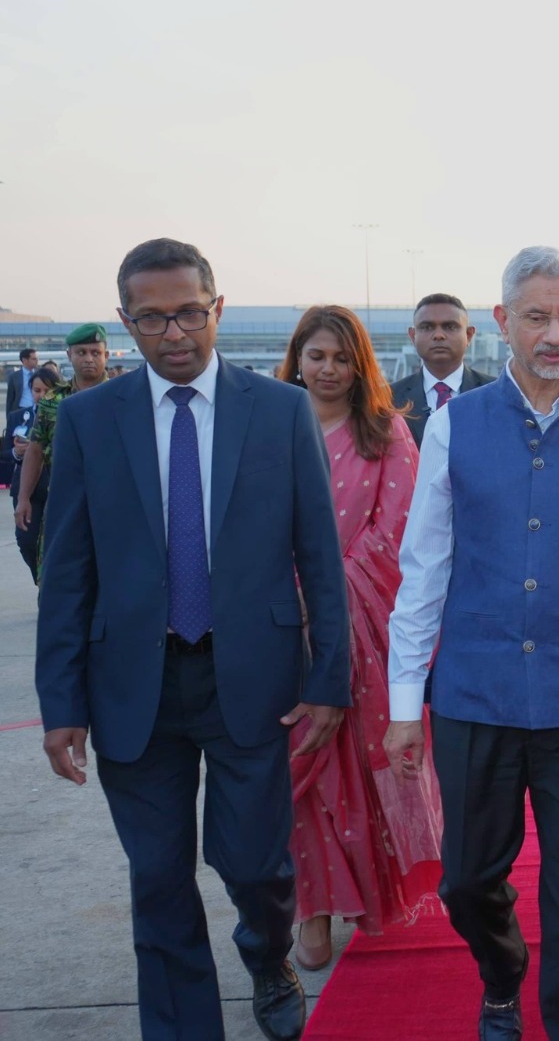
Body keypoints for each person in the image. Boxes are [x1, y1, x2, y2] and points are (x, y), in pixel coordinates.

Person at [34, 237, 350, 1041]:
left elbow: (319, 551)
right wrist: (60, 702)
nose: (172, 334)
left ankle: (266, 950)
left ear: (217, 308)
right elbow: (68, 570)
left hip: (257, 678)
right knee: (159, 879)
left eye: (186, 314)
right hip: (132, 688)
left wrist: (328, 680)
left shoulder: (277, 410)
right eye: (151, 319)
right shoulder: (89, 419)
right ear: (124, 322)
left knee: (254, 864)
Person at [383, 246, 559, 1041]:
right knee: (469, 880)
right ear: (504, 322)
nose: (557, 334)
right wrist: (405, 704)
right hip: (476, 694)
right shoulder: (453, 424)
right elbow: (424, 567)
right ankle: (503, 968)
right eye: (538, 317)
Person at [275, 306, 443, 970]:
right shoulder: (269, 427)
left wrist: (324, 593)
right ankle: (310, 909)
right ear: (297, 359)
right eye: (317, 356)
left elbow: (401, 529)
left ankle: (362, 895)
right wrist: (286, 597)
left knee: (358, 766)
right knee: (298, 767)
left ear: (361, 365)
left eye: (342, 358)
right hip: (280, 628)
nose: (328, 369)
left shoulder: (386, 431)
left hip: (363, 631)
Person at [14, 323, 111, 582]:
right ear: (69, 356)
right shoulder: (53, 401)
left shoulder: (123, 398)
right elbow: (35, 451)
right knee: (56, 575)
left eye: (95, 352)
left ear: (106, 356)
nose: (89, 359)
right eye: (81, 353)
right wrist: (24, 498)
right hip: (63, 502)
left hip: (113, 503)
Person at [388, 293, 496, 446]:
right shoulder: (388, 399)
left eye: (450, 327)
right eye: (427, 327)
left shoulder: (497, 394)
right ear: (413, 336)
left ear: (469, 335)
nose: (438, 335)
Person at [11, 365, 62, 577]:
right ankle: (40, 581)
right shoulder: (18, 417)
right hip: (27, 490)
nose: (41, 396)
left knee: (53, 544)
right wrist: (17, 452)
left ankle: (48, 589)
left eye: (47, 390)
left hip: (55, 487)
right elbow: (6, 452)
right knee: (27, 542)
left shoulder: (66, 414)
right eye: (37, 390)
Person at [7, 346, 39, 418]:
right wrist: (9, 419)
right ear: (24, 360)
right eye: (34, 359)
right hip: (20, 410)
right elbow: (10, 399)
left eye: (37, 358)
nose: (37, 361)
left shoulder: (40, 374)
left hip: (37, 411)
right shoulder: (14, 377)